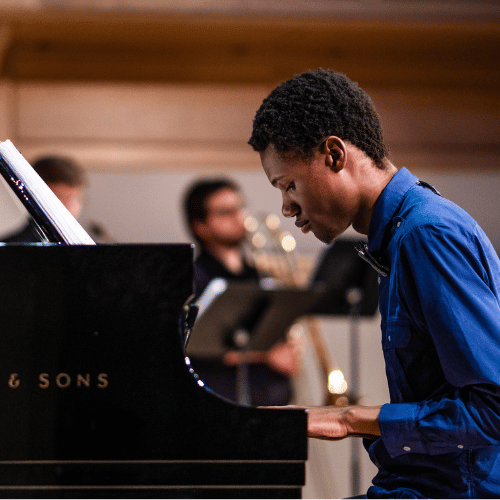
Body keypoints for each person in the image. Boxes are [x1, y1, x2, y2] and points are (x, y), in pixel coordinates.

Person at [248, 68, 500, 498]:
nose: (287, 207)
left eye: (289, 184)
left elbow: (492, 412)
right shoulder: (401, 232)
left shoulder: (425, 233)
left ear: (333, 155)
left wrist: (346, 420)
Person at [183, 178, 299, 406]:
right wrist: (267, 354)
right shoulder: (193, 279)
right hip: (223, 404)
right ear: (201, 226)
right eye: (226, 212)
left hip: (272, 401)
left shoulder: (260, 276)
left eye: (240, 208)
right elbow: (196, 347)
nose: (240, 218)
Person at [1, 155, 86, 242]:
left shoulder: (88, 247)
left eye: (75, 198)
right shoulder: (9, 249)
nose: (68, 207)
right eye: (58, 198)